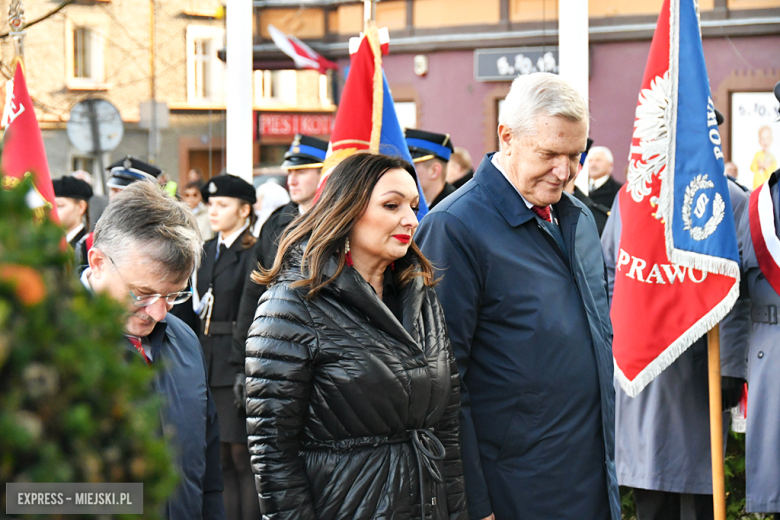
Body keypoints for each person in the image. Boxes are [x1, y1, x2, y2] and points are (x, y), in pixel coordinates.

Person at [416, 72, 620, 520]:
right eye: (549, 154)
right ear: (507, 137)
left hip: (590, 478)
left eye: (575, 155)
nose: (564, 172)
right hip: (515, 491)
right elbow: (442, 385)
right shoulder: (455, 228)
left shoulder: (579, 218)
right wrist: (473, 503)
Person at [245, 152, 468, 519]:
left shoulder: (421, 294)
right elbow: (272, 453)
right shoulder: (292, 304)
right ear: (346, 209)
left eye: (413, 206)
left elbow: (446, 428)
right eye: (392, 205)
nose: (411, 220)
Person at [601, 179, 750, 520]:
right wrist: (615, 340)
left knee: (698, 491)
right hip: (641, 365)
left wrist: (730, 364)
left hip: (701, 367)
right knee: (649, 489)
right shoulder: (633, 194)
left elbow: (738, 285)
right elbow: (611, 273)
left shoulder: (728, 197)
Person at [80, 181, 225, 520]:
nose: (159, 313)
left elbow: (208, 477)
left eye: (173, 295)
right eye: (142, 293)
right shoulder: (47, 346)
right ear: (98, 262)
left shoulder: (184, 340)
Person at [231, 134, 328, 369]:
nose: (291, 180)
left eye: (301, 172)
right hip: (281, 344)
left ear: (324, 173)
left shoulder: (341, 224)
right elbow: (254, 291)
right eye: (290, 173)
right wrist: (240, 361)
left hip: (327, 346)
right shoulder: (276, 224)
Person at [196, 175, 260, 520]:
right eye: (211, 204)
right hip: (208, 360)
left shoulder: (253, 251)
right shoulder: (207, 250)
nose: (214, 210)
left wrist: (242, 367)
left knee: (241, 457)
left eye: (223, 205)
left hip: (235, 362)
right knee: (218, 457)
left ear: (245, 209)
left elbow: (249, 313)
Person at [75, 156, 162, 267]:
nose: (117, 197)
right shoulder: (89, 242)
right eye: (114, 190)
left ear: (149, 196)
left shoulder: (166, 241)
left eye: (125, 191)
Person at [405, 128, 456, 209]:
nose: (403, 172)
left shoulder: (455, 208)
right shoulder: (409, 206)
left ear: (434, 171)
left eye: (411, 166)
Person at [53, 176, 93, 249]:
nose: (52, 212)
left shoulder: (88, 246)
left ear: (81, 207)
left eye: (59, 206)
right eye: (50, 206)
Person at [587, 146, 623, 219]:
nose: (593, 164)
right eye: (590, 161)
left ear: (610, 165)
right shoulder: (578, 189)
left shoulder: (618, 191)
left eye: (598, 160)